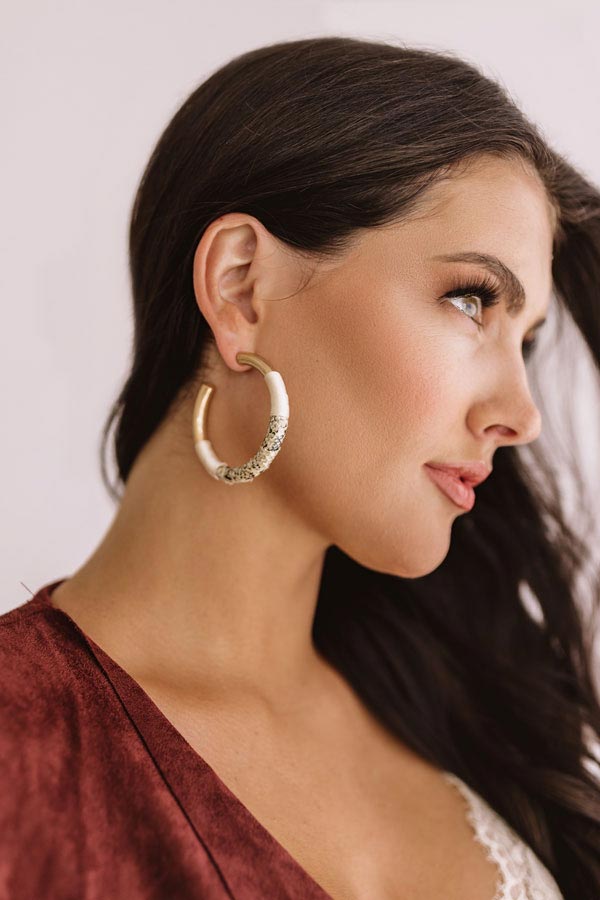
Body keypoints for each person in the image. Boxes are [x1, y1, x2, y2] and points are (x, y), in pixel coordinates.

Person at [2, 35, 600, 900]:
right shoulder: (23, 739)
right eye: (471, 300)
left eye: (528, 340)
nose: (521, 414)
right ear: (242, 287)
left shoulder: (459, 706)